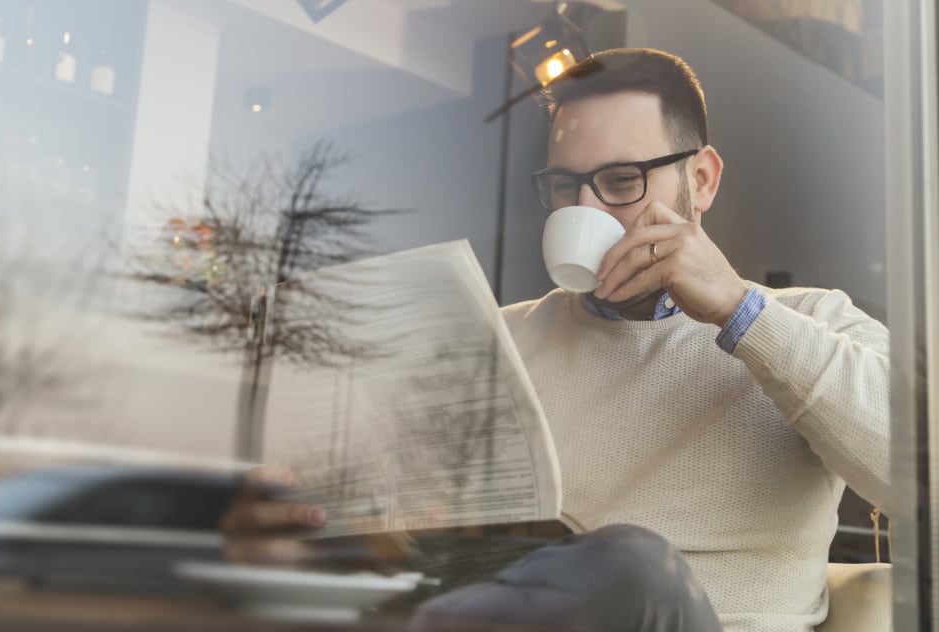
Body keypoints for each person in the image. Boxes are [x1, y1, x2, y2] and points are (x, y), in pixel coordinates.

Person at [221, 48, 889, 632]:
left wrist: (739, 312)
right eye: (564, 185)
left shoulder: (805, 322)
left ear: (703, 180)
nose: (585, 211)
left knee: (632, 563)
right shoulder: (500, 339)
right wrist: (305, 541)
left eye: (622, 181)